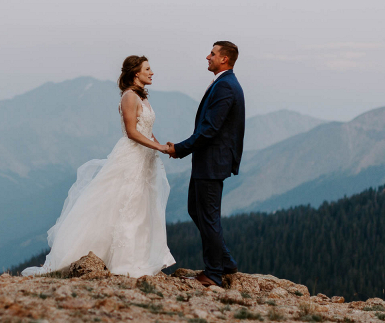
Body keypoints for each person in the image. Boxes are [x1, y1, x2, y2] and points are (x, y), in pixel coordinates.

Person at [22, 55, 175, 277]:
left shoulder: (143, 98)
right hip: (131, 157)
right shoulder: (129, 97)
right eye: (148, 69)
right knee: (126, 206)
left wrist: (160, 146)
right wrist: (158, 147)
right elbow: (132, 133)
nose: (152, 73)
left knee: (142, 208)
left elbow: (146, 130)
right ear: (135, 73)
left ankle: (138, 259)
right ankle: (121, 263)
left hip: (146, 159)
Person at [167, 41, 245, 287]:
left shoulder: (226, 87)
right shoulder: (224, 83)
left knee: (209, 217)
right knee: (195, 209)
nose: (207, 57)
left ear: (224, 59)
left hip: (212, 162)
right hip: (208, 161)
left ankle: (213, 273)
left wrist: (180, 149)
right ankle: (226, 261)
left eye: (212, 53)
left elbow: (209, 130)